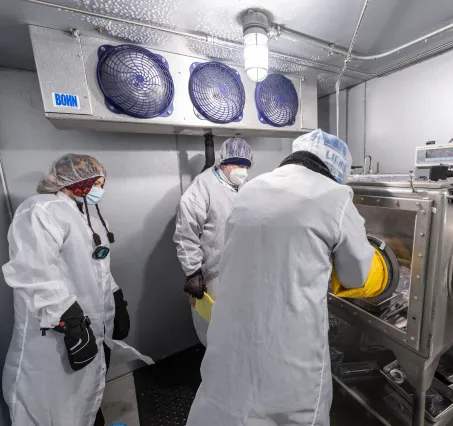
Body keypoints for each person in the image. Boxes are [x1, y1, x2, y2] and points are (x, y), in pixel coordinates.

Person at [185, 129, 389, 426]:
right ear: (335, 168)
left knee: (226, 403)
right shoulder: (335, 195)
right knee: (290, 411)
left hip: (232, 330)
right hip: (288, 347)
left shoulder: (252, 188)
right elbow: (356, 275)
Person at [2, 154, 146, 426]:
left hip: (88, 325)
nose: (100, 190)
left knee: (85, 393)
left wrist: (117, 299)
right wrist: (70, 321)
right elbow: (32, 272)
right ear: (79, 181)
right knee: (57, 402)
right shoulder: (40, 210)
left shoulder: (82, 216)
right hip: (57, 331)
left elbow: (98, 267)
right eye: (98, 183)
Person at [174, 137, 254, 346]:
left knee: (239, 323)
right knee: (212, 327)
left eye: (246, 166)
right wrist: (193, 272)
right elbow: (186, 235)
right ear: (223, 163)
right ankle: (212, 369)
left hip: (243, 268)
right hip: (213, 273)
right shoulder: (202, 188)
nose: (242, 171)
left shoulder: (245, 187)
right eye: (238, 165)